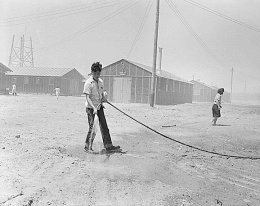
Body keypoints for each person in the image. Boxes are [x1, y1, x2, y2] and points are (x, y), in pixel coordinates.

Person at [83, 62, 120, 153]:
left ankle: (108, 145)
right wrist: (94, 108)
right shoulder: (88, 83)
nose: (97, 75)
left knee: (104, 126)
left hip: (99, 107)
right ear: (92, 72)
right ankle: (87, 147)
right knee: (93, 127)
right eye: (95, 73)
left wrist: (104, 97)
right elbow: (88, 97)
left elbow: (103, 91)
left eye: (98, 73)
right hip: (91, 108)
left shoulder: (101, 81)